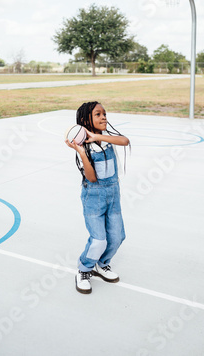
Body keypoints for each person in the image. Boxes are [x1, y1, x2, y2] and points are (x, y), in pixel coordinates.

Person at [65, 101, 130, 294]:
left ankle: (101, 264)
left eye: (104, 114)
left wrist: (97, 136)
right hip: (93, 197)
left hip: (113, 195)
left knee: (118, 236)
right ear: (86, 120)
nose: (104, 117)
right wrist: (81, 151)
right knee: (99, 240)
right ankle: (84, 269)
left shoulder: (108, 138)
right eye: (98, 114)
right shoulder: (85, 148)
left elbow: (125, 141)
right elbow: (91, 178)